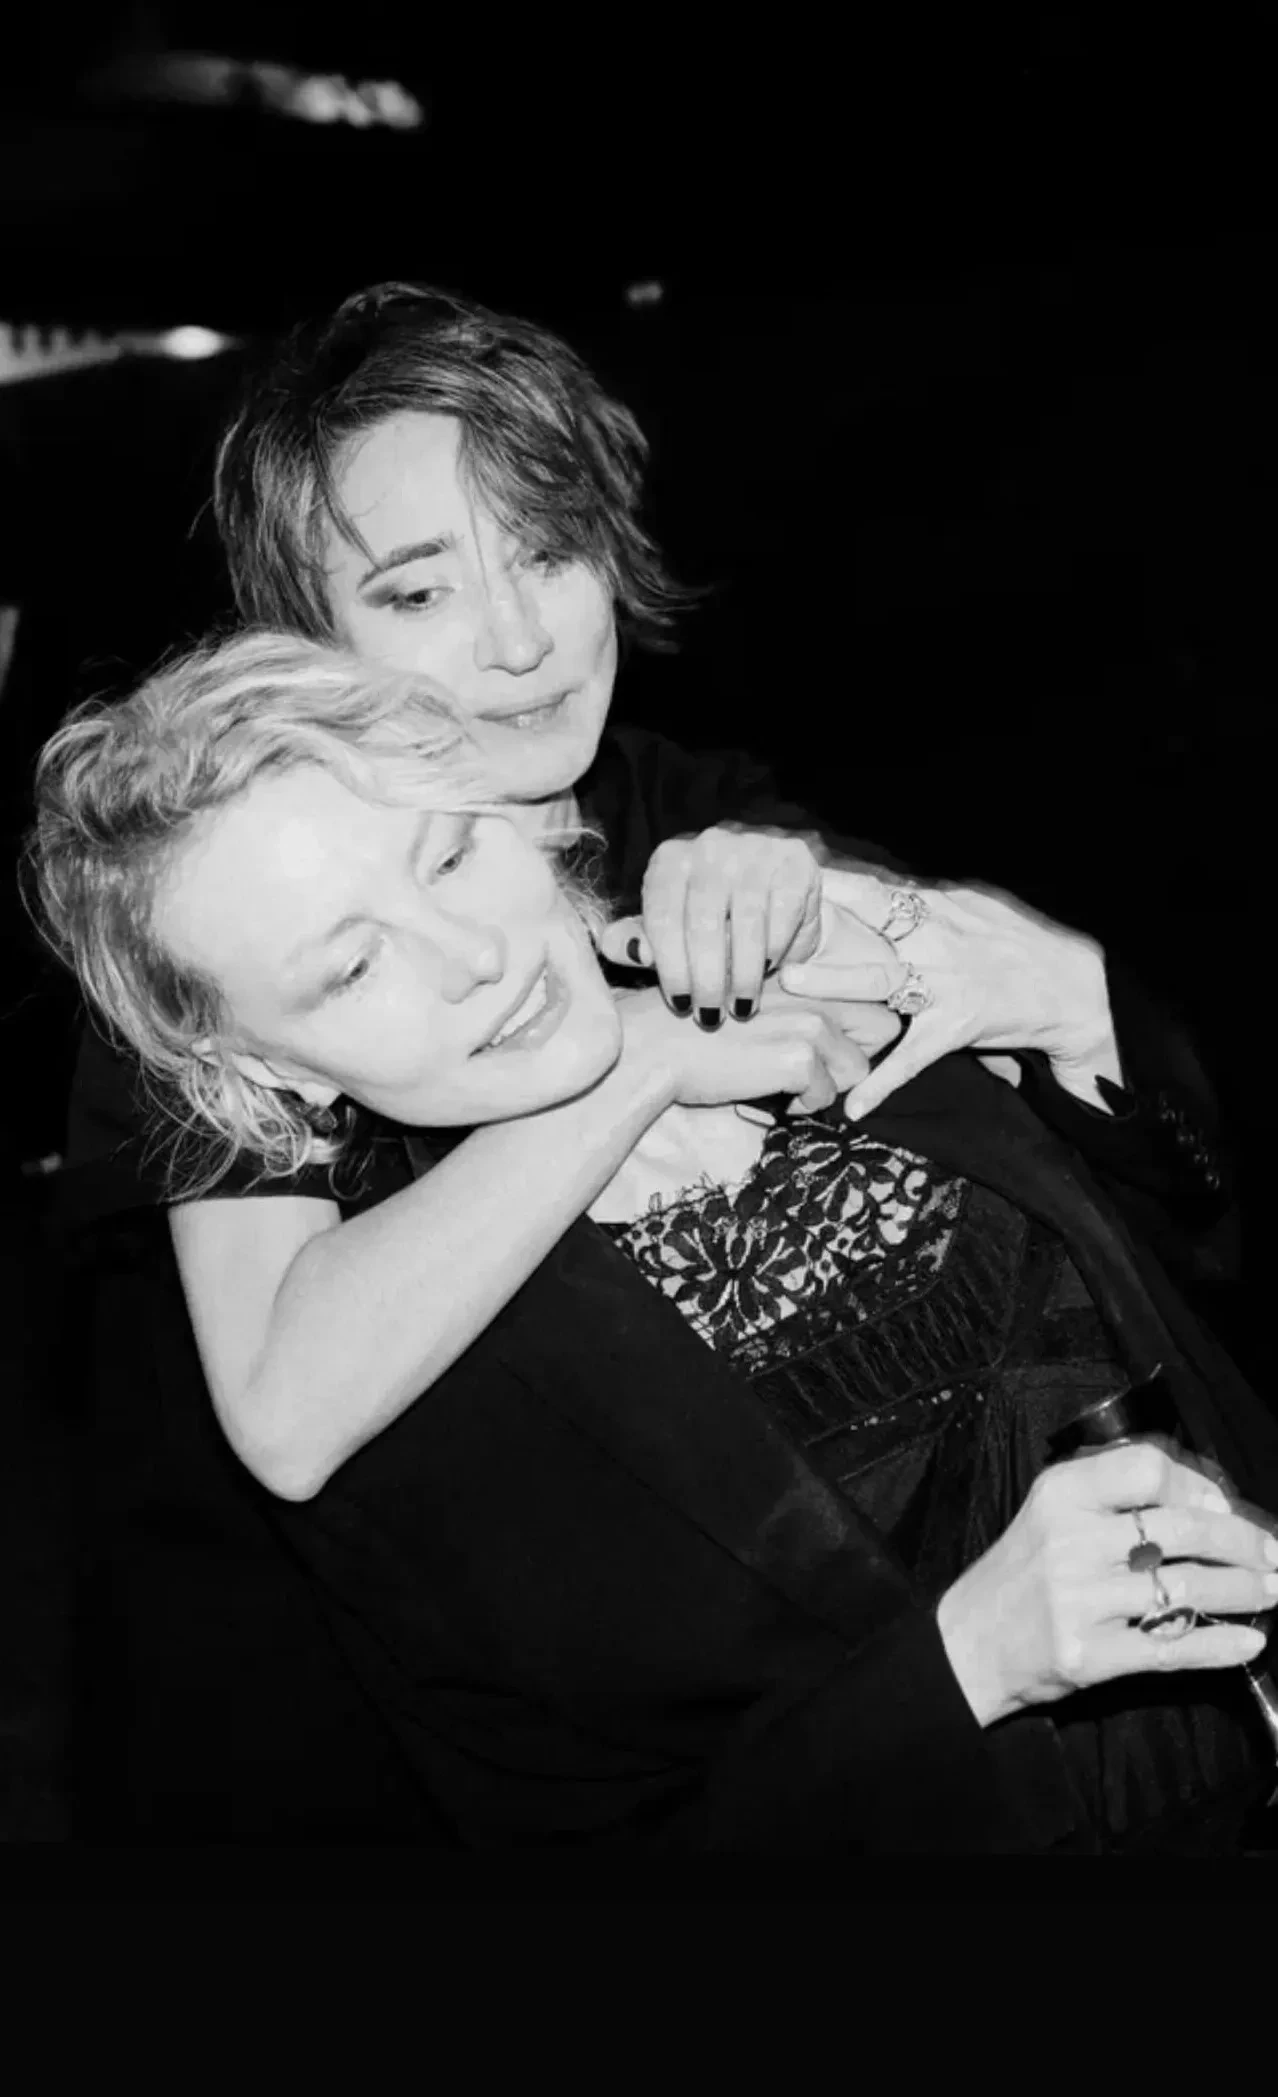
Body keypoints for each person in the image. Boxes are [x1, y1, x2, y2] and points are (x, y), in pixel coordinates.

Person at [49, 281, 1241, 1838]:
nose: (518, 640)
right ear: (308, 646)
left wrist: (1049, 992)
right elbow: (286, 1418)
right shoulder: (229, 968)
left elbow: (1125, 1187)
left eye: (548, 552)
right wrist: (636, 1062)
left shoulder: (692, 810)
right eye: (418, 591)